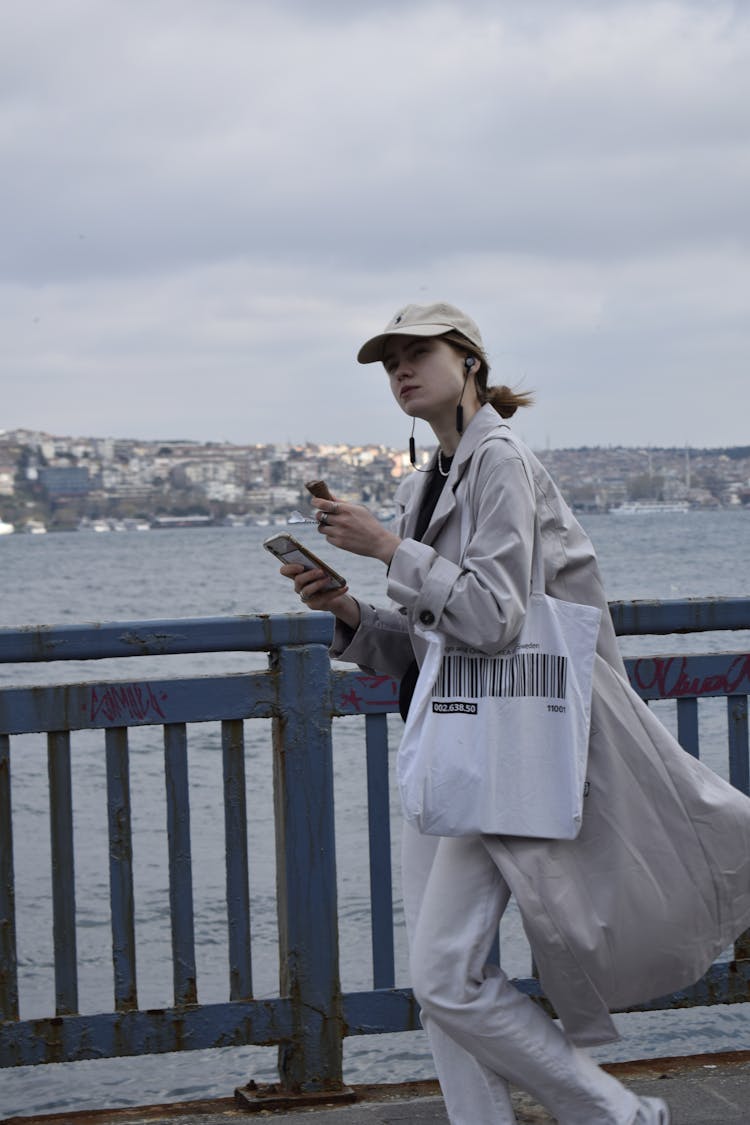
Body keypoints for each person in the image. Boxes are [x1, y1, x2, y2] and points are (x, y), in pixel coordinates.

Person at [279, 302, 750, 1125]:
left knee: (444, 974)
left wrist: (391, 550)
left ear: (469, 361)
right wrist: (349, 606)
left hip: (512, 741)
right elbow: (435, 641)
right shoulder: (423, 480)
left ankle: (618, 1115)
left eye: (417, 351)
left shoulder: (503, 463)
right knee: (445, 986)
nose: (399, 370)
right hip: (459, 735)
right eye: (389, 359)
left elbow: (495, 619)